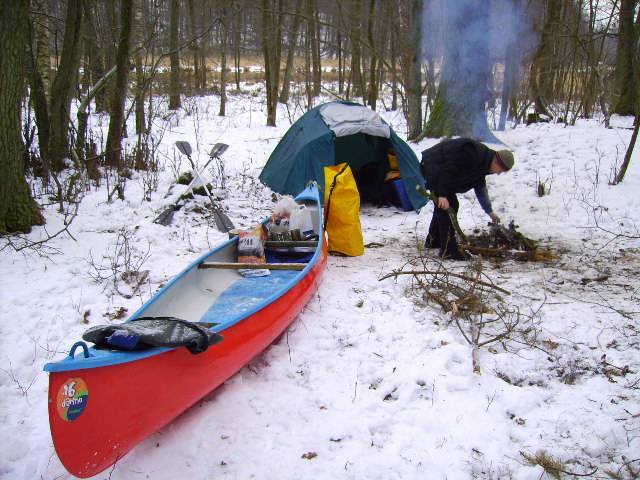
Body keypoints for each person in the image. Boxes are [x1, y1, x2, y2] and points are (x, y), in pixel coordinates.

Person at [420, 138, 515, 260]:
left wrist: (489, 211)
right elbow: (449, 169)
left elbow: (480, 188)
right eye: (500, 171)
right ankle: (448, 250)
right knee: (450, 205)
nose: (498, 174)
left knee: (445, 205)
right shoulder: (472, 154)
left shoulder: (484, 163)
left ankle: (433, 240)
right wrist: (442, 194)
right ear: (497, 162)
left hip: (440, 171)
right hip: (433, 165)